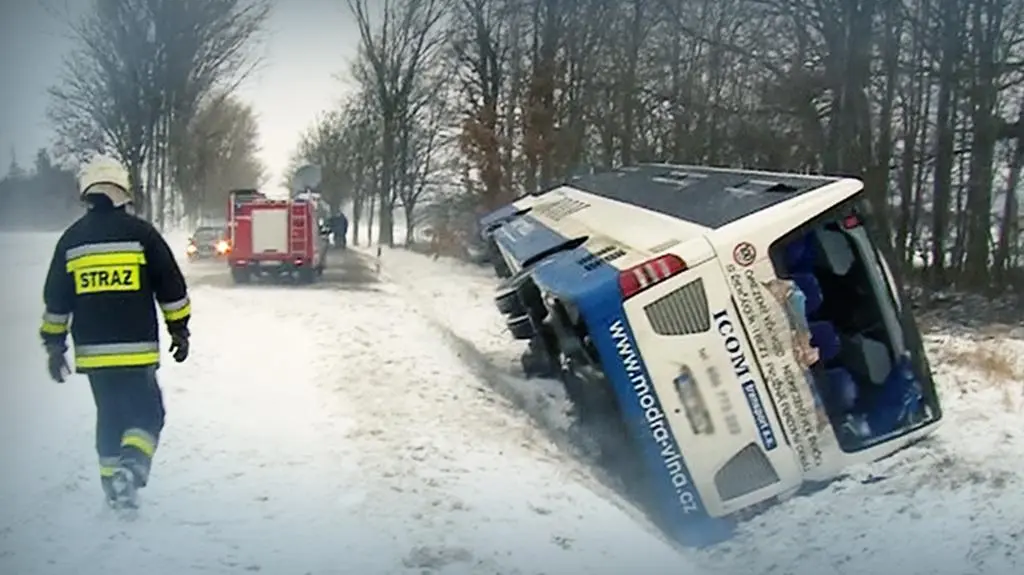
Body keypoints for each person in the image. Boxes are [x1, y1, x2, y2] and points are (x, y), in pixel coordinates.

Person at [38, 155, 192, 509]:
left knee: (109, 416)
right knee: (149, 415)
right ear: (122, 192)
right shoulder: (141, 235)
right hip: (137, 350)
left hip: (93, 354)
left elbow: (56, 301)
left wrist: (54, 347)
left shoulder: (71, 241)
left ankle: (114, 487)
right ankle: (132, 468)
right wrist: (179, 330)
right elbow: (171, 287)